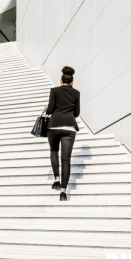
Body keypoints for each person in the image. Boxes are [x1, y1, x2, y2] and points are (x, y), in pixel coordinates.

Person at [44, 66, 80, 201]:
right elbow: (76, 113)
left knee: (54, 151)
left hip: (53, 126)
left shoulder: (54, 90)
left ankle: (56, 179)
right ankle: (63, 192)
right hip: (69, 128)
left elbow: (51, 110)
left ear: (61, 80)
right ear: (72, 82)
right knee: (66, 160)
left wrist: (47, 108)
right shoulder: (76, 93)